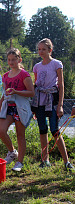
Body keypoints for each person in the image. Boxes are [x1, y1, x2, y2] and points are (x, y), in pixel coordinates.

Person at [31, 38, 74, 171]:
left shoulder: (57, 64)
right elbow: (36, 85)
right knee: (42, 130)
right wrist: (34, 107)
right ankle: (45, 160)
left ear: (50, 50)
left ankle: (66, 162)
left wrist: (60, 105)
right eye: (39, 49)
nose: (41, 51)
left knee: (55, 130)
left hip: (53, 100)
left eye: (43, 49)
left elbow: (61, 85)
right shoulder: (37, 66)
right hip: (40, 101)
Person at [0, 48, 35, 172]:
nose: (11, 62)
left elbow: (31, 93)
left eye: (14, 59)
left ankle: (20, 162)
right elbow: (4, 94)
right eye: (9, 60)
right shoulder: (5, 76)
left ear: (19, 59)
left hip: (20, 108)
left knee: (20, 135)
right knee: (1, 131)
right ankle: (12, 152)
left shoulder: (24, 74)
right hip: (8, 108)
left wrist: (16, 91)